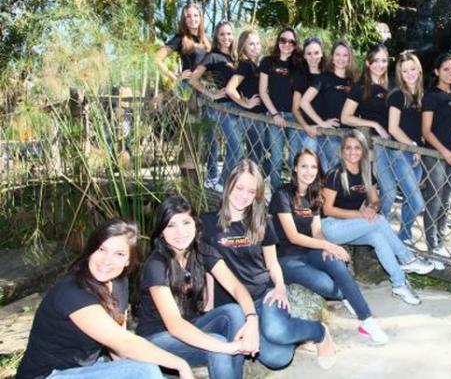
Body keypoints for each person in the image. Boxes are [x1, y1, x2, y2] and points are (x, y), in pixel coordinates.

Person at [201, 159, 336, 370]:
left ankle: (319, 332)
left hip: (263, 294)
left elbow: (272, 263)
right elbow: (208, 264)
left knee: (278, 338)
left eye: (251, 191)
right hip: (232, 304)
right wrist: (208, 300)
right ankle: (287, 332)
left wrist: (281, 287)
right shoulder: (207, 223)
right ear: (229, 185)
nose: (244, 195)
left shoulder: (262, 221)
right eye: (240, 187)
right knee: (277, 357)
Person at [16, 219, 194, 379]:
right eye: (102, 249)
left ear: (128, 261)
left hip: (85, 369)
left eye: (119, 254)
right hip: (49, 375)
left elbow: (118, 346)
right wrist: (180, 364)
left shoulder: (119, 283)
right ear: (90, 250)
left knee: (143, 367)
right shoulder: (73, 291)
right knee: (143, 371)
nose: (107, 261)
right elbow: (125, 343)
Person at [271, 148, 389, 345]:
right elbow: (293, 236)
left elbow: (316, 230)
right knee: (328, 286)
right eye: (304, 166)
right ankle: (348, 297)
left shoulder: (314, 195)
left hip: (310, 252)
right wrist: (330, 245)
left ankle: (366, 320)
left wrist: (326, 246)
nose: (309, 171)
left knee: (336, 265)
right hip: (287, 259)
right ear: (295, 169)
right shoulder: (282, 195)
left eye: (313, 167)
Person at [137, 195, 260, 379]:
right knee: (217, 345)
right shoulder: (156, 264)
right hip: (157, 339)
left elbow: (236, 287)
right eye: (171, 225)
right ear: (161, 231)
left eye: (186, 223)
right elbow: (175, 326)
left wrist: (252, 320)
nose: (180, 232)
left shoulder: (201, 250)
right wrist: (227, 347)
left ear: (195, 224)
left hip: (191, 325)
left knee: (234, 312)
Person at [321, 130, 434, 305]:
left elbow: (375, 200)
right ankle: (407, 258)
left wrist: (372, 209)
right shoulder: (335, 174)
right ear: (342, 150)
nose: (352, 152)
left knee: (377, 237)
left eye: (357, 148)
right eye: (348, 148)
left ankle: (399, 284)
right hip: (332, 227)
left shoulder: (366, 173)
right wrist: (361, 214)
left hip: (353, 226)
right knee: (380, 221)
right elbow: (327, 209)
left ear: (364, 151)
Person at [340, 44, 395, 221]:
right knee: (384, 190)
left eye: (384, 61)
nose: (380, 65)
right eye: (376, 61)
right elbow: (346, 117)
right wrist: (374, 124)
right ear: (368, 63)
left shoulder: (392, 86)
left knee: (386, 190)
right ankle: (377, 222)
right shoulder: (360, 87)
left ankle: (377, 222)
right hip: (373, 146)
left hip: (393, 144)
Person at [421, 53, 451, 263]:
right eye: (445, 69)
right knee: (434, 199)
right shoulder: (431, 96)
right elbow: (426, 131)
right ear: (437, 71)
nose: (450, 73)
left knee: (446, 199)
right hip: (435, 155)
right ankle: (431, 245)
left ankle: (440, 238)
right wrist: (444, 152)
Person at [189, 21, 238, 192]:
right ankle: (219, 181)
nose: (226, 38)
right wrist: (212, 94)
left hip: (234, 107)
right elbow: (193, 79)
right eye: (222, 34)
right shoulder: (212, 56)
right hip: (219, 107)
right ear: (217, 36)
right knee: (232, 146)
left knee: (231, 146)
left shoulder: (233, 58)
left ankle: (217, 179)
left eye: (229, 34)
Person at [386, 52, 426, 244]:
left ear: (419, 69)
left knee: (410, 201)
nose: (409, 73)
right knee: (417, 201)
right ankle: (395, 239)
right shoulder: (397, 96)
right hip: (401, 153)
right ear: (400, 74)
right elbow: (393, 128)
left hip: (417, 155)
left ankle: (405, 237)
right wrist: (412, 146)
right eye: (404, 71)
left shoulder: (422, 96)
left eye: (412, 69)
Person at [300, 40, 358, 171]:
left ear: (350, 58)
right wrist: (321, 122)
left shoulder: (353, 82)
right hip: (330, 135)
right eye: (337, 54)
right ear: (332, 57)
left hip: (348, 136)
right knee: (336, 172)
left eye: (345, 55)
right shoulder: (323, 78)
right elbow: (304, 102)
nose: (341, 59)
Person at [259, 27, 302, 190]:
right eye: (283, 40)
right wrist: (275, 114)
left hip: (294, 117)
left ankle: (295, 194)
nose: (287, 44)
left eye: (291, 42)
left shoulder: (299, 65)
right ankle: (277, 196)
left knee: (295, 159)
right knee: (276, 158)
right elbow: (263, 92)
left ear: (296, 44)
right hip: (274, 116)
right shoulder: (267, 62)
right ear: (278, 41)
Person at [225, 30, 266, 174]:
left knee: (259, 157)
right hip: (252, 118)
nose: (255, 47)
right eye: (251, 44)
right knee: (255, 158)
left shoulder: (256, 66)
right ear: (243, 46)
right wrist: (246, 104)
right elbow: (230, 89)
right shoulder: (246, 65)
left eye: (257, 43)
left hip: (260, 117)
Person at [155, 3, 211, 82]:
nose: (192, 19)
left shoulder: (208, 41)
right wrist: (176, 77)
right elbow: (156, 58)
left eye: (195, 15)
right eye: (188, 16)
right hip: (188, 88)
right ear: (184, 20)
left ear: (200, 18)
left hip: (207, 88)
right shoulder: (180, 38)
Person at [291, 37, 326, 155]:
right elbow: (295, 109)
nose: (313, 57)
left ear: (322, 54)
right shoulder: (301, 76)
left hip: (328, 132)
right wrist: (306, 128)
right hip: (310, 131)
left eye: (316, 53)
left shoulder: (327, 75)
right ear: (304, 56)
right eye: (309, 54)